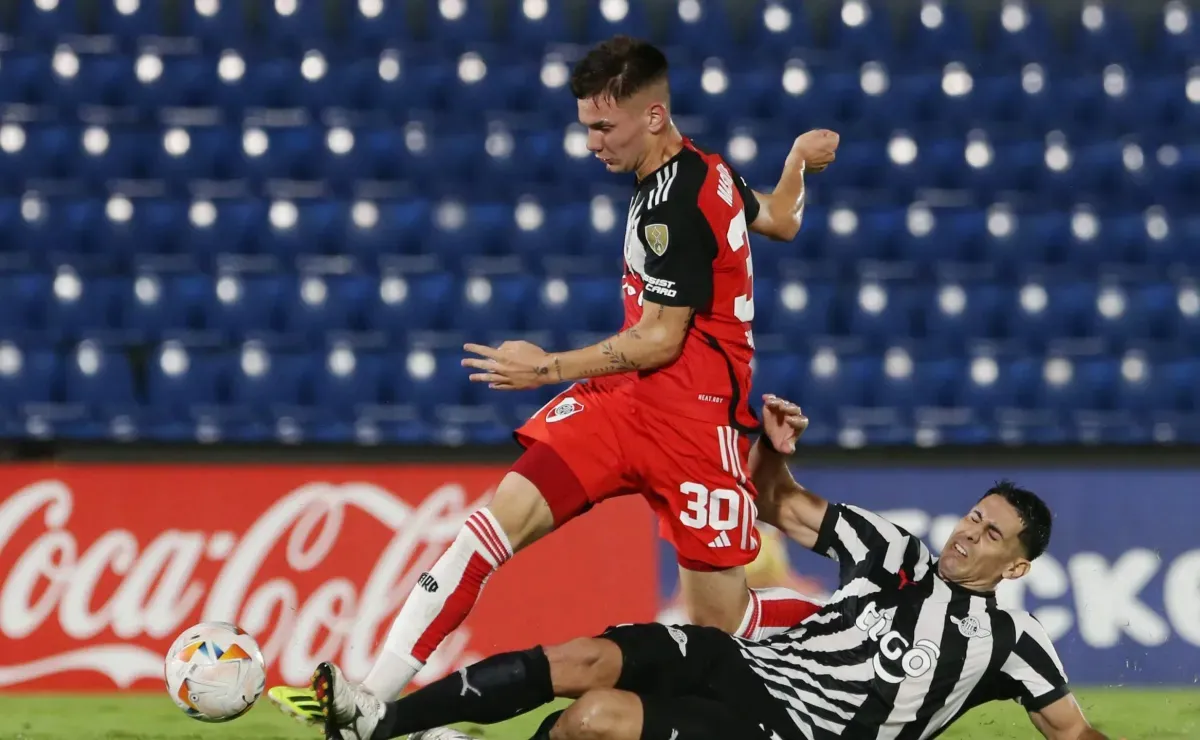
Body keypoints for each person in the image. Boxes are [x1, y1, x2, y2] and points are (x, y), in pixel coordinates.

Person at [269, 35, 840, 722]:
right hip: (623, 405)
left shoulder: (674, 203)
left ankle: (854, 627)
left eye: (604, 126)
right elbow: (781, 218)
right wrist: (797, 163)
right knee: (487, 531)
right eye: (586, 127)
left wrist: (544, 367)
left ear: (653, 116)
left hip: (694, 423)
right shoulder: (707, 172)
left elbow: (659, 340)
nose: (593, 142)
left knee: (716, 634)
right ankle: (367, 702)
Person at [313, 396, 1114, 740]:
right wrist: (774, 451)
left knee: (596, 719)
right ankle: (383, 723)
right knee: (585, 660)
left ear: (1016, 567)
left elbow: (1071, 729)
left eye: (990, 534)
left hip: (785, 730)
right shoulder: (895, 550)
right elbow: (784, 505)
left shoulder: (1011, 640)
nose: (969, 534)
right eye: (974, 517)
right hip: (742, 660)